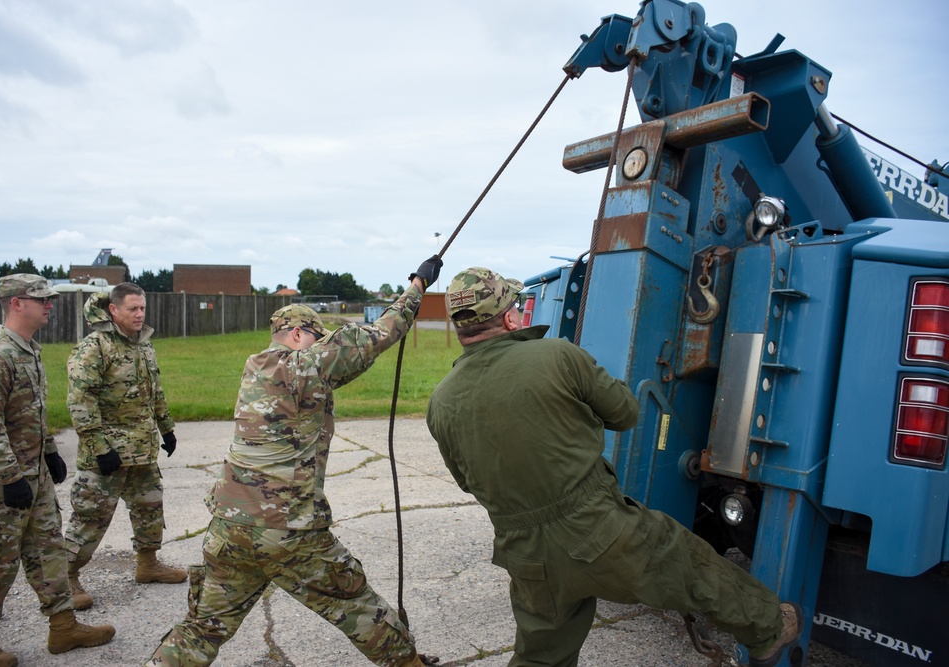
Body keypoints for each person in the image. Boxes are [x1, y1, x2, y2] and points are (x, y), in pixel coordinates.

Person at [425, 267, 803, 667]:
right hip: (597, 530)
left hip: (526, 554)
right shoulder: (557, 355)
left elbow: (467, 482)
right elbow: (624, 413)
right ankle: (769, 627)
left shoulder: (441, 401)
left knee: (541, 655)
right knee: (688, 562)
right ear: (509, 317)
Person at [146, 256, 443, 667]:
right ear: (299, 334)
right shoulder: (304, 364)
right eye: (317, 337)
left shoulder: (254, 367)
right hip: (287, 530)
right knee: (356, 605)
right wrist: (417, 285)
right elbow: (378, 334)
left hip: (229, 528)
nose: (322, 345)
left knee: (202, 627)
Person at [0, 273, 115, 667]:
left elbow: (32, 415)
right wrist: (11, 478)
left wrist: (49, 453)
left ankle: (63, 626)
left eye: (49, 300)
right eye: (41, 299)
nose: (49, 305)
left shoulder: (28, 349)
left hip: (34, 475)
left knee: (49, 552)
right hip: (0, 482)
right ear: (16, 303)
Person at [64, 282, 185, 610]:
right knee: (91, 517)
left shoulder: (144, 344)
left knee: (149, 508)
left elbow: (154, 390)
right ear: (113, 310)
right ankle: (66, 579)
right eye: (133, 309)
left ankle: (148, 564)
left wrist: (167, 430)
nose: (139, 314)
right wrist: (99, 446)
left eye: (142, 308)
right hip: (107, 453)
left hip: (142, 449)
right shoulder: (95, 346)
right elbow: (80, 399)